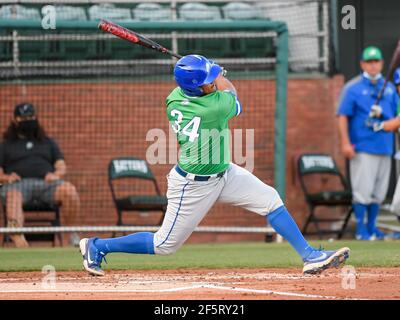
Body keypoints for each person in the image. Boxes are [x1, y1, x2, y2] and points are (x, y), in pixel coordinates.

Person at [79, 54, 350, 276]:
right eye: (206, 81)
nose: (211, 83)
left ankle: (310, 256)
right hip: (192, 185)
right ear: (197, 87)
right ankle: (97, 246)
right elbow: (232, 92)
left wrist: (204, 71)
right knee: (164, 245)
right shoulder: (213, 108)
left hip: (224, 172)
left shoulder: (175, 96)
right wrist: (218, 72)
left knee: (269, 198)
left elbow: (202, 83)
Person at [337, 46, 399, 241]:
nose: (373, 65)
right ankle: (361, 229)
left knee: (379, 191)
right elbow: (342, 117)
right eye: (369, 62)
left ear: (381, 63)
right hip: (363, 145)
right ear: (363, 63)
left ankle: (373, 228)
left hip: (385, 145)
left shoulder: (389, 87)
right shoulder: (352, 87)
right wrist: (345, 143)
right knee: (362, 189)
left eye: (376, 61)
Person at [0, 103, 80, 247]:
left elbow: (61, 166)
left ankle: (72, 235)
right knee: (13, 196)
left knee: (69, 190)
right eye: (23, 117)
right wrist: (6, 178)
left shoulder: (48, 142)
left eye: (31, 116)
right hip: (18, 186)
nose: (28, 120)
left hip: (47, 185)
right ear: (15, 119)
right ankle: (19, 240)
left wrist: (56, 175)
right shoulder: (5, 145)